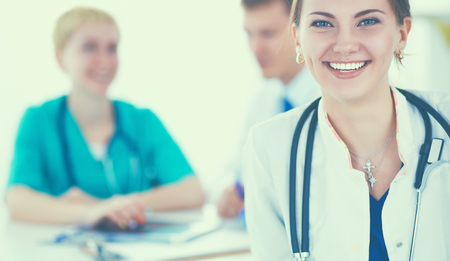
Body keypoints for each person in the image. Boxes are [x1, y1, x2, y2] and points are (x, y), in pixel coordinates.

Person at [243, 0, 450, 259]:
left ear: (401, 34)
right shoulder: (268, 147)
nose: (345, 45)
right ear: (297, 38)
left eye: (367, 21)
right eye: (322, 23)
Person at [6, 7, 204, 227]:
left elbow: (192, 191)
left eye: (112, 48)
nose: (105, 61)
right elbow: (17, 200)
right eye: (89, 47)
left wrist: (110, 206)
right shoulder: (38, 120)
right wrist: (91, 212)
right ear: (61, 57)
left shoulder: (142, 120)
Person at [217, 0, 320, 219]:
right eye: (249, 34)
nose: (255, 48)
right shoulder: (262, 98)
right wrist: (227, 192)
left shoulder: (332, 98)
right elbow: (234, 169)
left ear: (299, 33)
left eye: (267, 34)